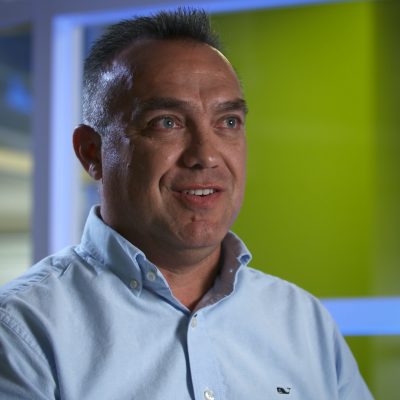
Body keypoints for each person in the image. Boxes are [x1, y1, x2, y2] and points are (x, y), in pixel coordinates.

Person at [0, 8, 373, 400]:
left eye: (228, 122)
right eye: (167, 122)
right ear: (92, 152)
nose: (206, 155)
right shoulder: (23, 330)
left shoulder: (302, 321)